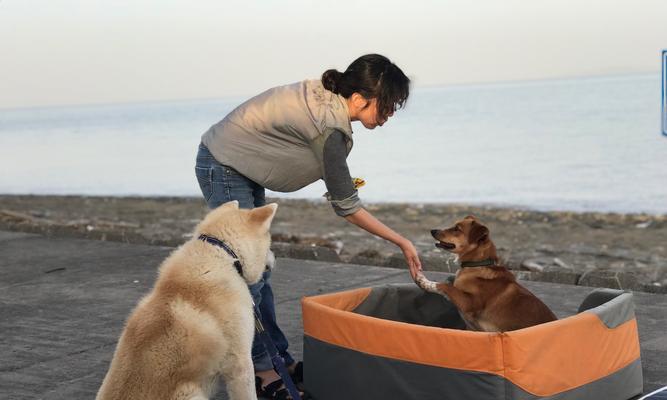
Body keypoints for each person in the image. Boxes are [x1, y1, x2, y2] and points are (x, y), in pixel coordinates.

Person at [195, 53, 422, 399]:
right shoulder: (330, 131)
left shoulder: (330, 101)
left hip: (240, 165)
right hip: (224, 165)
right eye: (387, 106)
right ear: (359, 99)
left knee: (261, 273)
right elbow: (347, 206)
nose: (390, 115)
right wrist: (402, 241)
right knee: (249, 279)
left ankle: (277, 358)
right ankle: (262, 370)